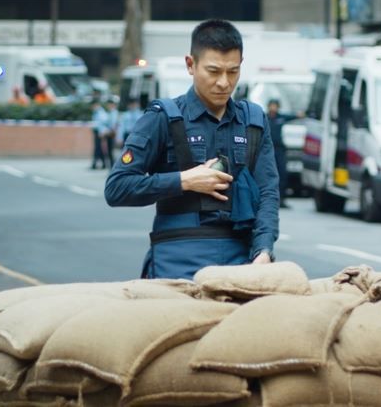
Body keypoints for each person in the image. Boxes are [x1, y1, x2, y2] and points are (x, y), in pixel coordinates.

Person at [105, 19, 279, 280]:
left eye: (232, 71)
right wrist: (184, 181)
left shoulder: (253, 121)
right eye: (213, 71)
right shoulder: (162, 117)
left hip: (242, 258)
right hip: (176, 255)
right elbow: (117, 188)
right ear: (190, 65)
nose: (223, 82)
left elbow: (268, 193)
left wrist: (263, 250)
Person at [266, 99, 298, 208]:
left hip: (279, 150)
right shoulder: (264, 117)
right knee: (267, 174)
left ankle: (282, 199)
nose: (273, 108)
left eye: (275, 106)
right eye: (272, 106)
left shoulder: (281, 117)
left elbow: (294, 116)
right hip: (267, 149)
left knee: (282, 174)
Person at [90, 99, 108, 169]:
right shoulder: (96, 112)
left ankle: (95, 164)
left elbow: (103, 123)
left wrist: (101, 132)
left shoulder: (101, 112)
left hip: (100, 132)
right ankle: (103, 163)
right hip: (97, 131)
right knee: (99, 148)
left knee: (98, 148)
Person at [103, 98, 120, 166]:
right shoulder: (110, 113)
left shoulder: (114, 113)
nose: (109, 106)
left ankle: (114, 167)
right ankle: (112, 166)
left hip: (113, 134)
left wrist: (108, 131)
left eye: (110, 104)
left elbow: (114, 125)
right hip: (110, 134)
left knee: (113, 152)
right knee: (110, 152)